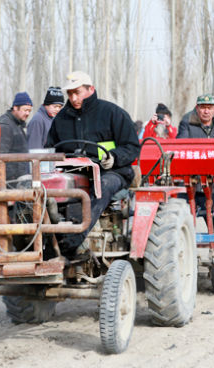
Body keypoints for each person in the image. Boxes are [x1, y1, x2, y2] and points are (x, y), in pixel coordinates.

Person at [46, 71, 140, 259]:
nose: (73, 98)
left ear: (91, 89)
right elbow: (50, 149)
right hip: (72, 173)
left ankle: (72, 242)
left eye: (77, 92)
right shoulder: (61, 119)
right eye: (69, 94)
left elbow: (132, 146)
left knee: (101, 187)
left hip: (112, 172)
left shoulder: (112, 113)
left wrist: (113, 157)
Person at [177, 94, 214, 232]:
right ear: (197, 108)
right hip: (190, 183)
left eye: (210, 108)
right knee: (179, 224)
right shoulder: (187, 123)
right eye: (203, 108)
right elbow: (181, 148)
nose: (206, 111)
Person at [0, 92, 33, 179]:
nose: (27, 113)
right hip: (11, 180)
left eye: (29, 111)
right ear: (15, 108)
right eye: (25, 110)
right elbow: (1, 155)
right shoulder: (5, 125)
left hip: (19, 176)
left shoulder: (18, 125)